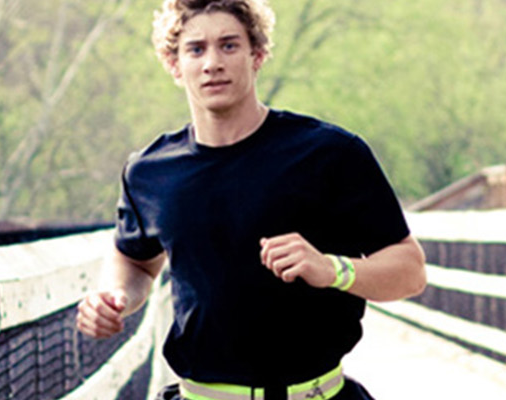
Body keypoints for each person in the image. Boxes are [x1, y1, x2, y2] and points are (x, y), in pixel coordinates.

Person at [74, 1, 427, 399]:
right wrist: (115, 297)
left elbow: (411, 270)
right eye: (195, 49)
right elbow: (134, 259)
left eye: (228, 45)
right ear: (174, 64)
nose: (212, 63)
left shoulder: (329, 154)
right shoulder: (149, 172)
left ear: (256, 55)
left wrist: (332, 269)